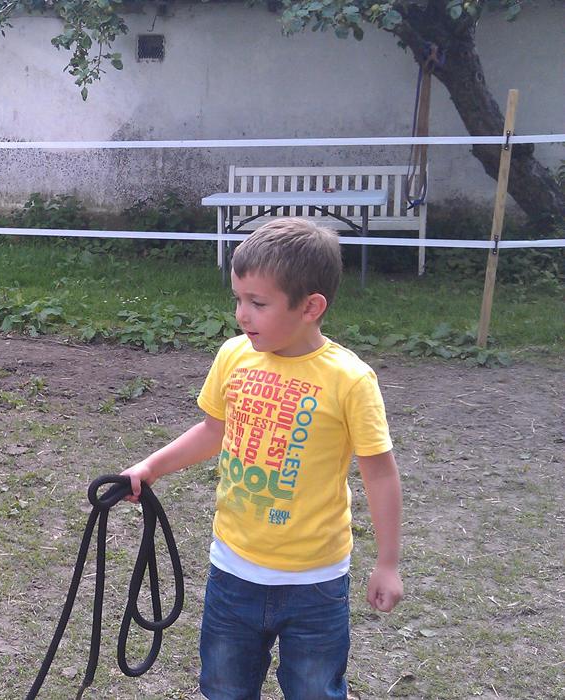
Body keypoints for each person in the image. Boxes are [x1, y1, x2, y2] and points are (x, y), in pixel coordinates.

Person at [121, 217, 403, 699]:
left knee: (314, 691)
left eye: (258, 303)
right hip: (233, 571)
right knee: (224, 688)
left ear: (311, 306)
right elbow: (213, 431)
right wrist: (150, 468)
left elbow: (379, 475)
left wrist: (388, 563)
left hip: (314, 582)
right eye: (238, 299)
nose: (241, 315)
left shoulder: (350, 380)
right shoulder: (234, 356)